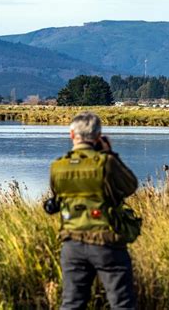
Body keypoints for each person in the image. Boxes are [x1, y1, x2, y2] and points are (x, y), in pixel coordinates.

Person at [46, 112, 138, 309]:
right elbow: (130, 186)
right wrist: (109, 153)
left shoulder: (57, 166)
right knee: (122, 304)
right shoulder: (105, 162)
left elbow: (57, 194)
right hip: (106, 243)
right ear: (98, 137)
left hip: (72, 243)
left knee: (72, 303)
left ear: (72, 135)